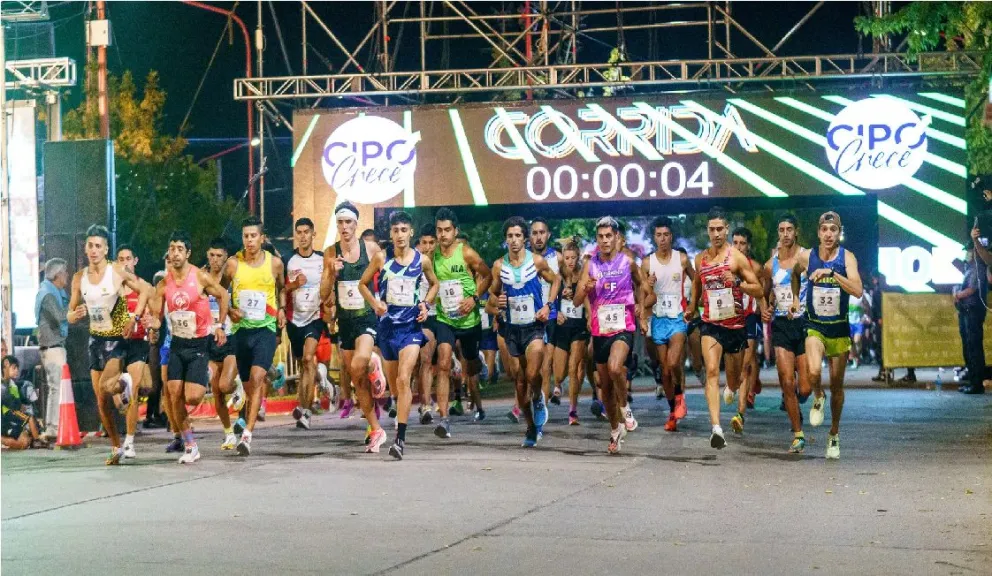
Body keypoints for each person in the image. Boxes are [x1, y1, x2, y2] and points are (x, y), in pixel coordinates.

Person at [66, 225, 150, 465]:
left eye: (98, 246)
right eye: (90, 245)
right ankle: (115, 446)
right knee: (101, 401)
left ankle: (124, 382)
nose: (93, 250)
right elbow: (70, 312)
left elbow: (144, 289)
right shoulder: (79, 278)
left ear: (105, 249)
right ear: (85, 248)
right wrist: (74, 315)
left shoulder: (116, 271)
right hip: (95, 339)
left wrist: (134, 317)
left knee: (105, 386)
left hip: (116, 340)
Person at [144, 231, 229, 463]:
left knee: (192, 398)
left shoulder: (199, 277)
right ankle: (190, 444)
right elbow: (157, 317)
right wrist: (153, 325)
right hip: (177, 344)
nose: (175, 253)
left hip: (199, 344)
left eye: (180, 249)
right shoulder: (163, 284)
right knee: (173, 394)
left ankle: (207, 371)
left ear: (188, 253)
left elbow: (222, 295)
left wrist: (220, 325)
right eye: (172, 249)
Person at [359, 211, 438, 458]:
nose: (400, 235)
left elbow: (434, 284)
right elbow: (362, 284)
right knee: (395, 387)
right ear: (391, 234)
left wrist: (425, 304)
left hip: (411, 328)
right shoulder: (382, 259)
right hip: (388, 328)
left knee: (405, 379)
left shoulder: (422, 261)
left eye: (404, 230)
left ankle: (400, 441)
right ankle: (389, 390)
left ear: (411, 232)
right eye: (396, 231)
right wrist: (375, 304)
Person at [685, 207, 764, 450]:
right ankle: (716, 428)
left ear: (726, 229)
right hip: (710, 324)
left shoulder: (736, 259)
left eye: (720, 229)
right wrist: (691, 308)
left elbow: (759, 289)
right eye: (712, 229)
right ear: (707, 231)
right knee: (710, 371)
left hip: (736, 326)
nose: (716, 233)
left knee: (733, 379)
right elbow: (697, 285)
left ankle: (731, 387)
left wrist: (738, 283)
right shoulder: (701, 259)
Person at [792, 211, 864, 460]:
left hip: (839, 328)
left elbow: (857, 290)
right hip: (815, 326)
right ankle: (817, 395)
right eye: (825, 230)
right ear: (818, 232)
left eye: (833, 230)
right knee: (812, 371)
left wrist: (832, 274)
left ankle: (834, 433)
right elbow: (793, 274)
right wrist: (794, 298)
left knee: (837, 386)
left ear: (839, 232)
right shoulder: (806, 257)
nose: (829, 234)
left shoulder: (847, 258)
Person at [319, 202, 388, 452]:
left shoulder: (370, 248)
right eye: (340, 222)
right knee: (357, 381)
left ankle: (373, 363)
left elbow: (388, 277)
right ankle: (376, 429)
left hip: (367, 317)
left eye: (349, 222)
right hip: (345, 322)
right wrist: (330, 273)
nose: (344, 227)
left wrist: (383, 303)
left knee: (360, 363)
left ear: (356, 224)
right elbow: (323, 293)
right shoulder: (330, 252)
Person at [573, 216, 645, 454]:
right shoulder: (590, 265)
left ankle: (626, 408)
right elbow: (575, 301)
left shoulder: (628, 262)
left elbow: (642, 286)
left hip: (624, 327)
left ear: (616, 238)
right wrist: (585, 289)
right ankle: (615, 430)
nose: (604, 241)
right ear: (597, 239)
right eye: (600, 237)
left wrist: (641, 312)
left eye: (608, 236)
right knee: (605, 387)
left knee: (616, 368)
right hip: (600, 330)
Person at [486, 216, 560, 447]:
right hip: (512, 329)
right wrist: (496, 304)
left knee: (531, 375)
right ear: (505, 239)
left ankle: (538, 397)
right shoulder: (499, 266)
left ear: (525, 239)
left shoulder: (536, 262)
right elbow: (491, 298)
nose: (514, 240)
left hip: (534, 327)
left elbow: (556, 280)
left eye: (518, 235)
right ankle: (530, 426)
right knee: (518, 381)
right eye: (510, 236)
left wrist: (548, 305)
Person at [222, 216, 286, 456]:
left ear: (262, 238)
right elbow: (221, 292)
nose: (249, 241)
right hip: (241, 331)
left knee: (257, 378)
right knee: (249, 385)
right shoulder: (233, 264)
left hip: (265, 329)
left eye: (253, 236)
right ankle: (250, 411)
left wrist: (281, 310)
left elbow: (281, 288)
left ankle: (247, 435)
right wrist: (229, 310)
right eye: (245, 236)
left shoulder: (275, 264)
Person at [431, 208, 492, 437]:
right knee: (444, 362)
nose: (443, 235)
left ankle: (479, 361)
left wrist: (474, 298)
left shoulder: (466, 253)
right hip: (445, 318)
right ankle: (444, 419)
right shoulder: (432, 256)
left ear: (455, 231)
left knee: (470, 363)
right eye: (440, 230)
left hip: (469, 321)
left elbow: (487, 275)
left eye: (447, 230)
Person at [762, 214, 813, 452]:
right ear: (778, 233)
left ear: (796, 232)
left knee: (805, 388)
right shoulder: (770, 265)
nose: (785, 234)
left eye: (789, 229)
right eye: (781, 229)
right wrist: (766, 308)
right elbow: (765, 293)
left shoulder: (807, 257)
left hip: (805, 325)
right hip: (782, 325)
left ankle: (796, 403)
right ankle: (798, 433)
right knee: (786, 380)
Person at [642, 217, 694, 432]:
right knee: (664, 372)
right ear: (654, 237)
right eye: (658, 235)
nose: (662, 239)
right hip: (658, 320)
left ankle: (681, 397)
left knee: (674, 363)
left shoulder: (681, 259)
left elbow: (696, 279)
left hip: (678, 319)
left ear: (671, 236)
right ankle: (673, 411)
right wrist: (648, 286)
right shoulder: (647, 263)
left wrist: (692, 305)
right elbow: (643, 294)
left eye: (666, 235)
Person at [285, 218, 326, 430]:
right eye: (299, 232)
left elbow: (330, 286)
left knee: (309, 358)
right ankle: (316, 387)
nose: (302, 236)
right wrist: (293, 285)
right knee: (303, 364)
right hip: (294, 319)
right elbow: (281, 291)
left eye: (306, 232)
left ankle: (306, 411)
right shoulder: (288, 261)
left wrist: (331, 311)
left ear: (313, 234)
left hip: (315, 317)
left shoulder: (321, 259)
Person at [115, 245, 155, 459]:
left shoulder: (144, 287)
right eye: (120, 259)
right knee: (115, 393)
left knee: (137, 388)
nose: (125, 263)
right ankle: (121, 388)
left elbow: (156, 316)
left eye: (128, 258)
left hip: (138, 343)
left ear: (135, 261)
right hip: (114, 343)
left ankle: (129, 441)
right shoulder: (112, 287)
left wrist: (152, 322)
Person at [204, 238, 244, 450]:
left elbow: (239, 309)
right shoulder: (201, 278)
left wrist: (231, 312)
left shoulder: (232, 279)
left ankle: (238, 385)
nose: (215, 260)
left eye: (219, 256)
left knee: (224, 385)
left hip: (230, 336)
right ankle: (228, 433)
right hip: (209, 339)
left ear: (226, 257)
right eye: (212, 255)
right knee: (216, 390)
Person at [729, 227, 766, 427]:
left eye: (742, 243)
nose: (738, 247)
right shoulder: (723, 265)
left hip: (749, 318)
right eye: (735, 242)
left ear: (748, 246)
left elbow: (761, 292)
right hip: (728, 319)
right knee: (733, 368)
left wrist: (765, 309)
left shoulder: (756, 268)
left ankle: (740, 414)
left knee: (745, 364)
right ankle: (743, 382)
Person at [553, 242, 590, 426]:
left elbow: (590, 297)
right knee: (559, 374)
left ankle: (573, 411)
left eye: (573, 258)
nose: (570, 261)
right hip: (562, 327)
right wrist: (556, 312)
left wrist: (590, 315)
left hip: (579, 327)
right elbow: (549, 299)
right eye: (566, 258)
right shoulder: (558, 276)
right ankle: (558, 385)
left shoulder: (584, 275)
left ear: (578, 257)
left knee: (573, 368)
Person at [35, 257, 69, 441]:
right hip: (53, 347)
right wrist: (72, 312)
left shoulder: (50, 292)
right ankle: (53, 428)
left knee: (55, 388)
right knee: (56, 389)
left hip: (53, 347)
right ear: (57, 275)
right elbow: (58, 317)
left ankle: (53, 426)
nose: (67, 277)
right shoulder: (48, 295)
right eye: (64, 273)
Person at [530, 218, 562, 405]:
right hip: (528, 317)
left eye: (542, 232)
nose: (539, 237)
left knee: (545, 365)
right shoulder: (524, 258)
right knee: (527, 366)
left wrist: (561, 307)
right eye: (534, 233)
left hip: (550, 315)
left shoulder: (557, 258)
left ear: (548, 235)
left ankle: (541, 406)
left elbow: (568, 282)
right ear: (529, 237)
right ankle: (530, 399)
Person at [956, 236, 988, 395]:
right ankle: (972, 381)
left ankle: (977, 384)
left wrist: (957, 295)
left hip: (973, 311)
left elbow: (972, 290)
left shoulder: (977, 267)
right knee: (969, 347)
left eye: (968, 251)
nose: (966, 254)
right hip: (966, 311)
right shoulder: (969, 267)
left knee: (974, 347)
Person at [415, 224, 439, 424]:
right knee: (425, 359)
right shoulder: (413, 263)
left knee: (434, 361)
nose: (428, 247)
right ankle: (426, 405)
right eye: (424, 243)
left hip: (445, 317)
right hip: (421, 316)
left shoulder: (443, 262)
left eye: (432, 243)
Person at [2, 356, 46, 450]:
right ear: (5, 365)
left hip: (10, 417)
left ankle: (34, 439)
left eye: (17, 368)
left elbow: (16, 402)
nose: (17, 371)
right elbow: (10, 402)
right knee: (28, 418)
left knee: (25, 442)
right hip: (6, 415)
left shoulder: (12, 385)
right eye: (14, 368)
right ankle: (37, 440)